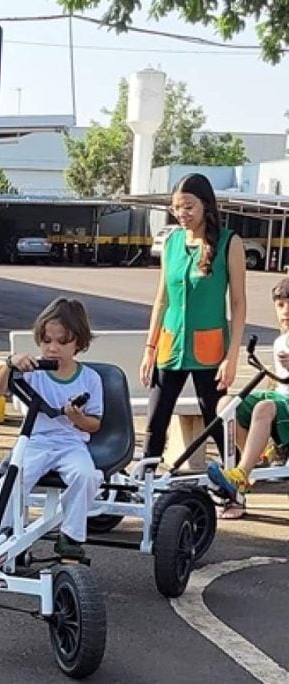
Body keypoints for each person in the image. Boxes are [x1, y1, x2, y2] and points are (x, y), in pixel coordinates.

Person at [139, 173, 246, 518]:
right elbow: (161, 299)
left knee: (216, 420)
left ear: (206, 205)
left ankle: (235, 489)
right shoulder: (172, 242)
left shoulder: (229, 243)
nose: (182, 214)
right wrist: (150, 348)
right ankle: (144, 485)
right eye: (176, 208)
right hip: (171, 346)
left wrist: (232, 357)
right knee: (156, 419)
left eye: (188, 206)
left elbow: (239, 304)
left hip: (209, 350)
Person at [0, 298, 104, 560]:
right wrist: (10, 363)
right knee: (12, 481)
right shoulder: (34, 371)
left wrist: (77, 418)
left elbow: (95, 424)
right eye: (46, 341)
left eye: (62, 342)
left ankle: (71, 536)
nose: (53, 348)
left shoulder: (90, 378)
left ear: (78, 343)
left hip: (71, 443)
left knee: (86, 476)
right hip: (35, 441)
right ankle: (0, 535)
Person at [207, 278, 289, 513]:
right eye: (280, 305)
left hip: (283, 405)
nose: (285, 311)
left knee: (264, 407)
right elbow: (278, 381)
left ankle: (242, 474)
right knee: (226, 404)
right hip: (281, 398)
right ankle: (254, 459)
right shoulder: (280, 341)